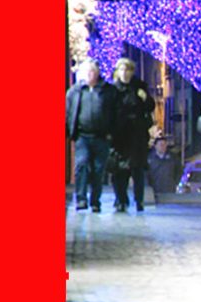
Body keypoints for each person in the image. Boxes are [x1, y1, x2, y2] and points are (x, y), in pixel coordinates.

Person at [66, 60, 119, 212]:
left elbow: (114, 112)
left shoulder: (107, 91)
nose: (90, 75)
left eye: (93, 72)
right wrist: (70, 132)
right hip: (82, 136)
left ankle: (95, 200)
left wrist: (111, 132)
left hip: (102, 136)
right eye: (88, 72)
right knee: (81, 165)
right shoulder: (75, 91)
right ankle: (81, 199)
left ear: (97, 73)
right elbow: (68, 112)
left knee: (98, 169)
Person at [109, 58, 155, 213]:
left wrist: (145, 98)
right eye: (122, 70)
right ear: (117, 72)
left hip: (137, 135)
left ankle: (139, 200)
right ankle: (121, 200)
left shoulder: (139, 87)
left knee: (137, 171)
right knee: (119, 171)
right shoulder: (113, 90)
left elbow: (150, 106)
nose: (124, 73)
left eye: (127, 70)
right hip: (119, 136)